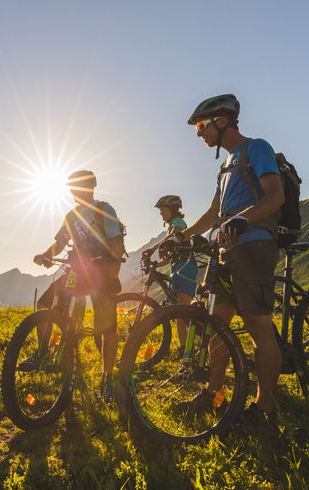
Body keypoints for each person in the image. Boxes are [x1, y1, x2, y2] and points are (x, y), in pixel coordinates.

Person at [174, 94, 285, 421]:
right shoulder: (225, 164)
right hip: (225, 251)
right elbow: (213, 213)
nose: (199, 134)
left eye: (201, 125)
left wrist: (243, 218)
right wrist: (182, 235)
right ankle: (212, 394)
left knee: (257, 328)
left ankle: (265, 408)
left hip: (253, 246)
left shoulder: (257, 148)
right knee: (217, 326)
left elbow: (275, 195)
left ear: (221, 122)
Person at [32, 170, 125, 402]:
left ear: (90, 187)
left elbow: (117, 243)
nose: (74, 192)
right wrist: (45, 255)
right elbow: (60, 242)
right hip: (76, 270)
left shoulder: (104, 209)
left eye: (77, 187)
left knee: (106, 325)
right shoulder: (72, 215)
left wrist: (113, 274)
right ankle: (46, 355)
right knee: (46, 304)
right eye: (72, 188)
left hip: (101, 272)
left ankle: (108, 376)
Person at [142, 195, 198, 354]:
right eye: (160, 211)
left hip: (185, 266)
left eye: (163, 210)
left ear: (173, 210)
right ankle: (184, 349)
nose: (160, 213)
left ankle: (191, 349)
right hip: (178, 266)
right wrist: (155, 265)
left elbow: (173, 237)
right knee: (178, 312)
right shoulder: (171, 227)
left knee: (183, 311)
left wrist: (152, 249)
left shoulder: (178, 223)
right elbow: (168, 259)